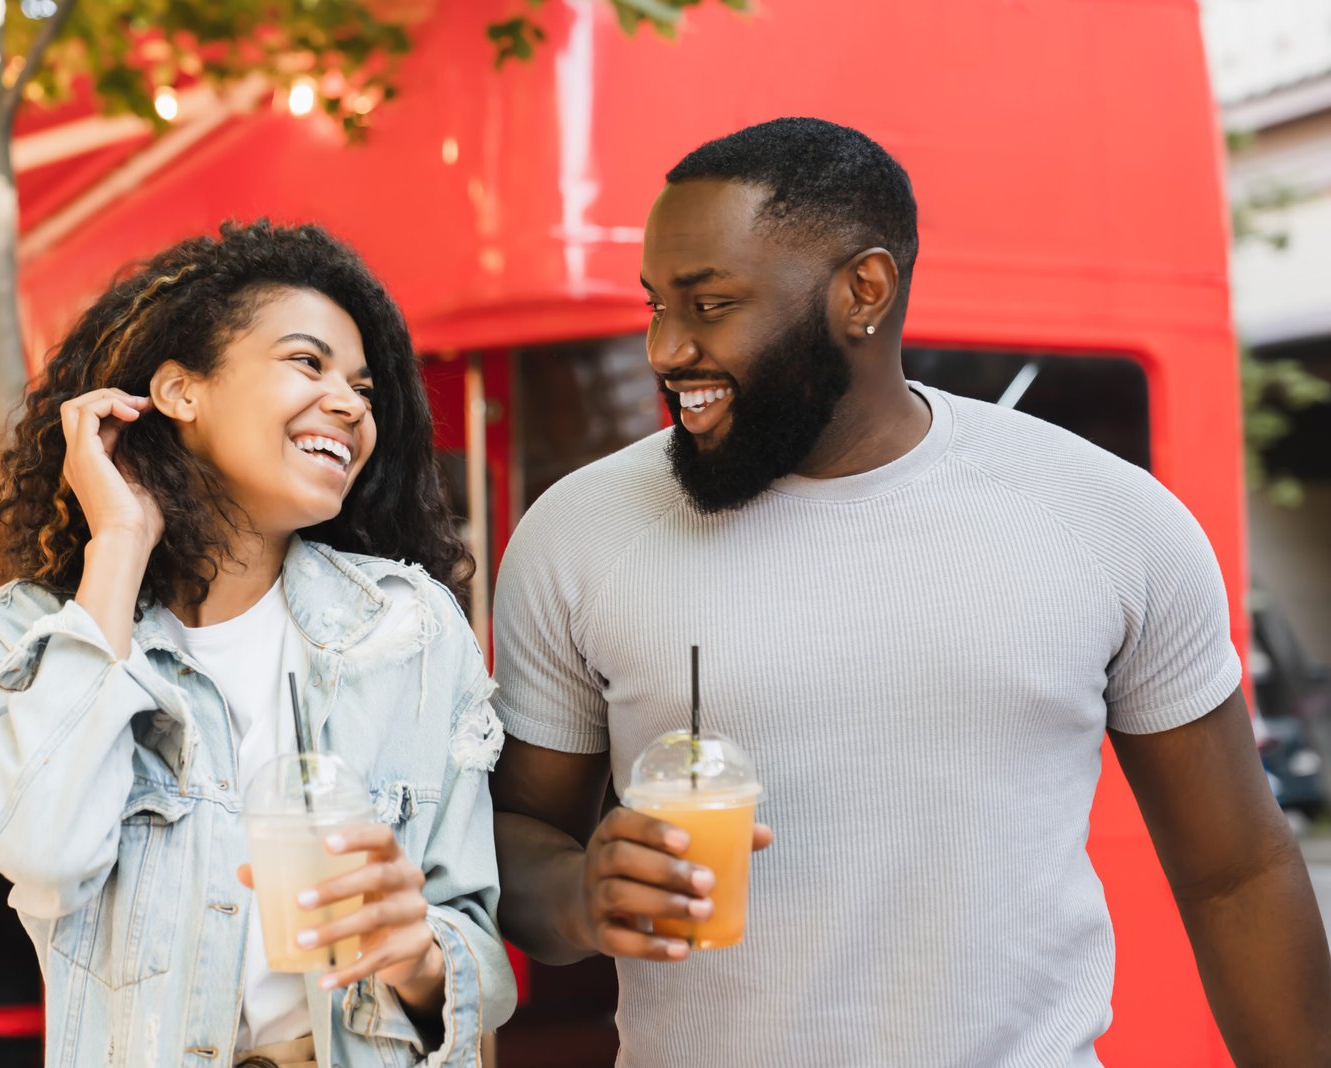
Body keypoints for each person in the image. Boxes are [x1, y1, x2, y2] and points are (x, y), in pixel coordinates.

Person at [489, 118, 1331, 1066]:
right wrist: (578, 894)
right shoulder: (582, 531)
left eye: (710, 304)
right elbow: (517, 838)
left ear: (865, 291)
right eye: (656, 307)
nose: (665, 349)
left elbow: (1238, 874)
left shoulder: (1109, 519)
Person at [0, 220, 515, 1068]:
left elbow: (482, 962)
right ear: (180, 390)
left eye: (362, 387)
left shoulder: (412, 632)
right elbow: (36, 849)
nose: (352, 404)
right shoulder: (26, 631)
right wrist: (120, 544)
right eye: (306, 363)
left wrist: (419, 954)